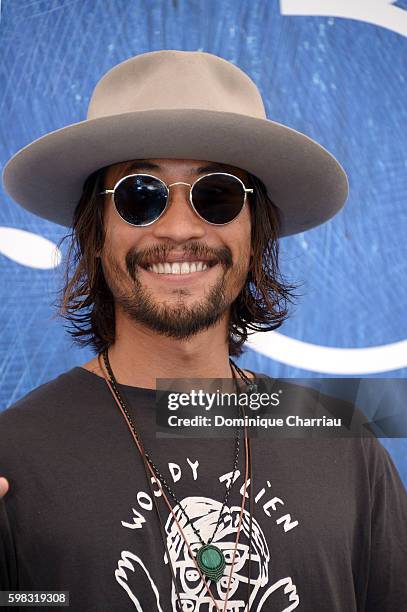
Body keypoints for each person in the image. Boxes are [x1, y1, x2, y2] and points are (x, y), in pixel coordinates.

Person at [0, 50, 406, 611]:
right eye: (142, 196)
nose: (180, 228)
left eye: (215, 196)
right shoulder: (14, 457)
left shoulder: (344, 445)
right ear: (96, 233)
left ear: (255, 231)